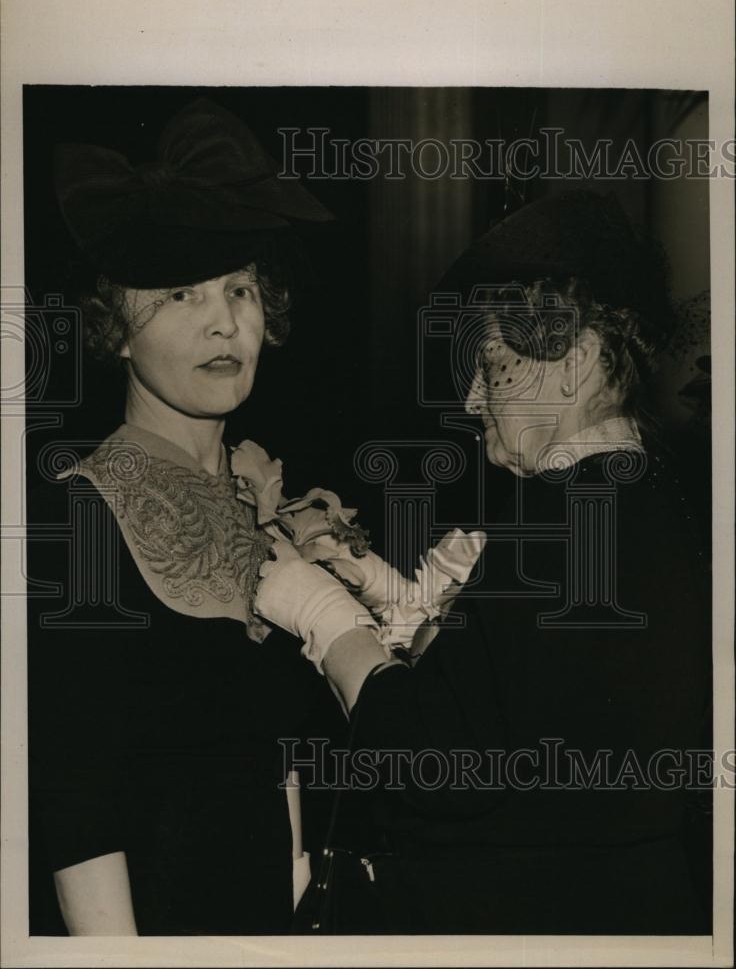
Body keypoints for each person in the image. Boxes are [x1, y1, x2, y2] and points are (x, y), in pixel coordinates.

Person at [254, 190, 712, 934]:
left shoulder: (567, 516)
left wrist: (322, 612)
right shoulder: (645, 498)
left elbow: (438, 764)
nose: (472, 401)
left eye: (493, 368)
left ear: (576, 362)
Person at [27, 98, 345, 936]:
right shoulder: (77, 522)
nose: (223, 320)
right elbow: (76, 806)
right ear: (115, 333)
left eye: (239, 287)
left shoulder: (269, 500)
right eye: (180, 293)